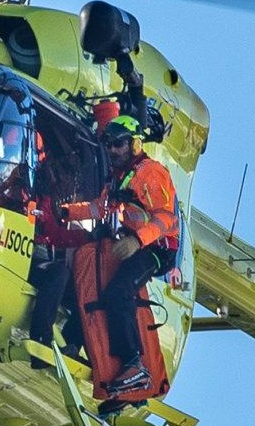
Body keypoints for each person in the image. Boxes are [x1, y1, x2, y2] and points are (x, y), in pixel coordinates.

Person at [67, 102, 180, 409]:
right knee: (94, 288)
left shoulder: (149, 173)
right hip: (133, 245)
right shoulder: (118, 176)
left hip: (157, 250)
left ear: (134, 143)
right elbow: (96, 208)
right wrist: (61, 212)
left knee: (119, 292)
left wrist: (137, 241)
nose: (113, 150)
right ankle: (111, 371)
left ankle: (135, 365)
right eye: (109, 144)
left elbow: (166, 219)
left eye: (119, 144)